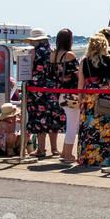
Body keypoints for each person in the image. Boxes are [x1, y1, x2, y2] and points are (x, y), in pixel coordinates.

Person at [77, 33, 110, 167]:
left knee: (88, 128)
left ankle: (87, 158)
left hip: (89, 98)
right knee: (105, 128)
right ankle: (105, 159)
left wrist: (79, 99)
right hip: (105, 96)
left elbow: (80, 83)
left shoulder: (84, 61)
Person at [24, 28, 62, 158]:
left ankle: (41, 149)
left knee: (40, 119)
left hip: (36, 89)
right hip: (52, 88)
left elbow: (27, 71)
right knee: (52, 118)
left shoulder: (33, 52)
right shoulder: (53, 52)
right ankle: (55, 149)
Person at [51, 30, 81, 164]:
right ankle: (68, 154)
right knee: (72, 125)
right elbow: (77, 73)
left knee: (70, 122)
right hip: (71, 93)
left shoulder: (53, 55)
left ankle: (64, 151)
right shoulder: (69, 55)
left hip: (59, 92)